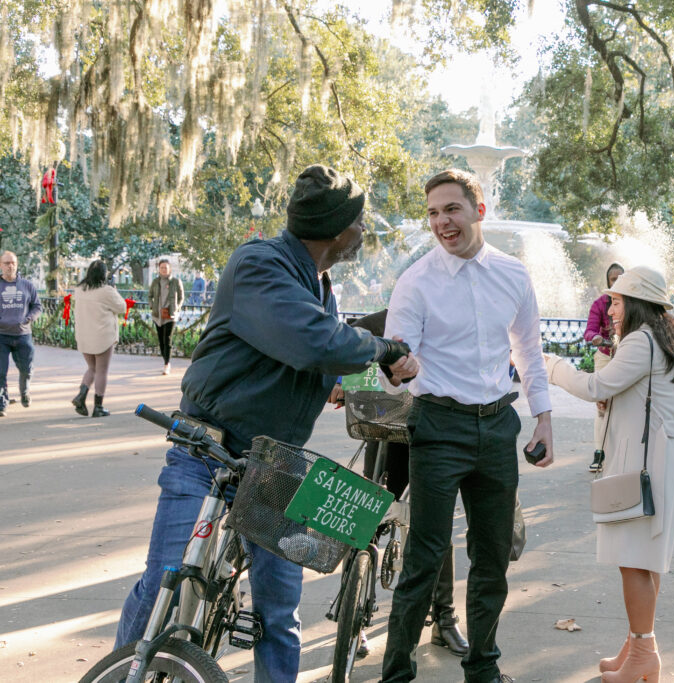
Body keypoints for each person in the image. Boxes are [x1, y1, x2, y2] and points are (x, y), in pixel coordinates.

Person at [112, 165, 415, 683]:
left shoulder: (320, 286)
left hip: (274, 465)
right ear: (337, 230)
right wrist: (384, 349)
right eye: (360, 223)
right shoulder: (259, 263)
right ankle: (124, 673)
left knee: (279, 609)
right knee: (164, 581)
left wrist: (349, 387)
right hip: (207, 453)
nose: (364, 233)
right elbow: (311, 340)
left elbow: (307, 350)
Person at [379, 168, 553, 683]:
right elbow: (396, 356)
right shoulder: (415, 282)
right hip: (438, 425)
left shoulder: (514, 274)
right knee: (424, 559)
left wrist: (542, 419)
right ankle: (396, 674)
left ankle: (483, 669)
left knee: (492, 558)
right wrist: (398, 368)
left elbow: (529, 351)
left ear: (479, 210)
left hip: (499, 426)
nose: (441, 222)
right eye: (432, 213)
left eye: (451, 209)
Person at [544, 265, 674, 683]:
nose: (609, 308)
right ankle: (637, 647)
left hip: (648, 463)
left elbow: (594, 386)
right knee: (643, 561)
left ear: (636, 304)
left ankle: (644, 653)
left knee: (633, 562)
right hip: (660, 459)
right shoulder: (661, 339)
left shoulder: (641, 342)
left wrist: (550, 365)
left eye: (615, 300)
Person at [349, 309, 468, 659]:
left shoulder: (454, 320)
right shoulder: (389, 316)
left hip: (438, 434)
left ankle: (443, 617)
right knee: (367, 519)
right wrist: (342, 380)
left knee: (435, 524)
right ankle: (353, 617)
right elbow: (353, 338)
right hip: (388, 434)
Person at [70, 261, 127, 418]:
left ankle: (81, 396)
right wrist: (114, 290)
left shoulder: (80, 289)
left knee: (92, 368)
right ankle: (98, 407)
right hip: (103, 336)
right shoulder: (106, 291)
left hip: (84, 336)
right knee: (102, 371)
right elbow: (122, 307)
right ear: (104, 274)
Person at [584, 262, 625, 472]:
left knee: (625, 406)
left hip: (626, 358)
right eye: (613, 279)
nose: (617, 282)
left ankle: (620, 454)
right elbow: (589, 331)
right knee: (602, 406)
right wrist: (597, 337)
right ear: (607, 282)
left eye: (621, 278)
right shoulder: (600, 304)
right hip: (606, 356)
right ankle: (599, 453)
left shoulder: (632, 303)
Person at [0, 251, 41, 416]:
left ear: (17, 265)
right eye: (7, 263)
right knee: (0, 371)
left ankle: (24, 391)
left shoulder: (27, 285)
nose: (10, 266)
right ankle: (2, 402)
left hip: (23, 334)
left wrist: (30, 318)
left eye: (13, 263)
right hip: (1, 335)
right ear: (1, 265)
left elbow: (37, 306)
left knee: (26, 369)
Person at [148, 258, 185, 375]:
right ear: (159, 269)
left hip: (171, 315)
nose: (164, 269)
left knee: (167, 339)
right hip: (157, 315)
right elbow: (149, 296)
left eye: (166, 267)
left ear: (170, 269)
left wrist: (177, 308)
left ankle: (167, 364)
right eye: (162, 267)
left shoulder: (175, 281)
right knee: (161, 340)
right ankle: (165, 361)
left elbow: (181, 297)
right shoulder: (155, 282)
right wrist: (152, 306)